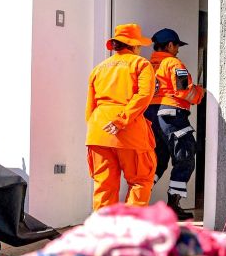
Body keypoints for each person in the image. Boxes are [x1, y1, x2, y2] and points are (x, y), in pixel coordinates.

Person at [85, 23, 157, 211]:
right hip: (128, 130)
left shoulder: (99, 68)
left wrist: (96, 130)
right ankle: (131, 230)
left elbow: (90, 106)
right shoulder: (141, 64)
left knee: (104, 185)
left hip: (98, 132)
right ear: (133, 46)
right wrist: (121, 120)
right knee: (140, 180)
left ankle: (103, 233)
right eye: (139, 45)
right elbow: (144, 95)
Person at [145, 28, 205, 220]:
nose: (178, 50)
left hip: (151, 119)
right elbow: (183, 91)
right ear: (170, 45)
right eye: (177, 45)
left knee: (158, 161)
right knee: (185, 156)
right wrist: (201, 93)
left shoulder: (146, 65)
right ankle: (173, 206)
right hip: (171, 116)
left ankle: (137, 202)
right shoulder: (172, 63)